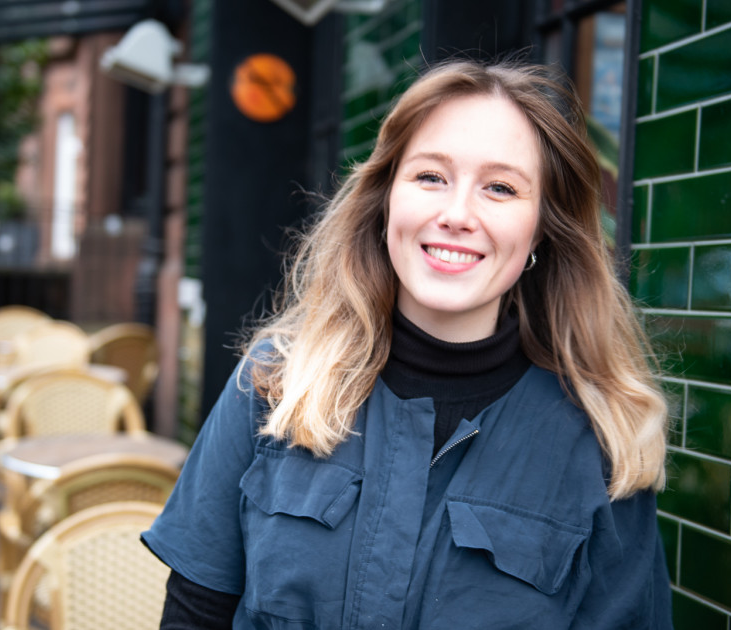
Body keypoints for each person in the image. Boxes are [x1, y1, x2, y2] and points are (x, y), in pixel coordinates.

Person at [143, 59, 673, 629]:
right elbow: (194, 617)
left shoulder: (598, 441)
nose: (456, 215)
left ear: (542, 225)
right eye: (430, 177)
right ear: (387, 198)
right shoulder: (275, 383)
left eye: (500, 188)